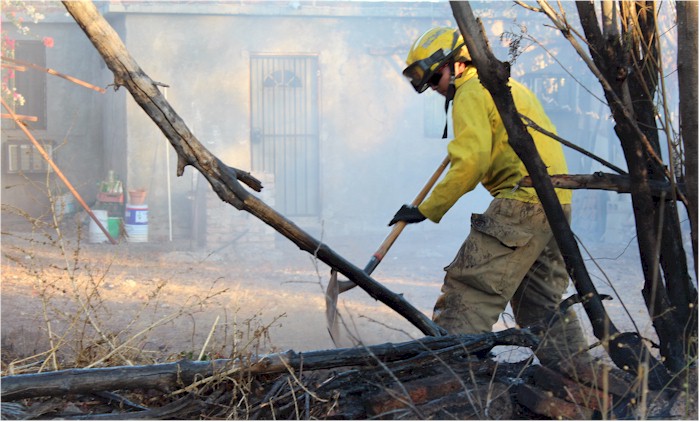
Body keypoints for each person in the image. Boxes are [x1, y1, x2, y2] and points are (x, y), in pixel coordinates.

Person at [391, 26, 591, 367]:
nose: (434, 89)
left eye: (434, 78)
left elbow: (471, 162)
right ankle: (582, 383)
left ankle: (450, 376)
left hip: (521, 204)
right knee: (539, 304)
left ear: (457, 64)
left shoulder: (470, 90)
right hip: (555, 204)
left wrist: (425, 209)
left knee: (470, 289)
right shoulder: (505, 86)